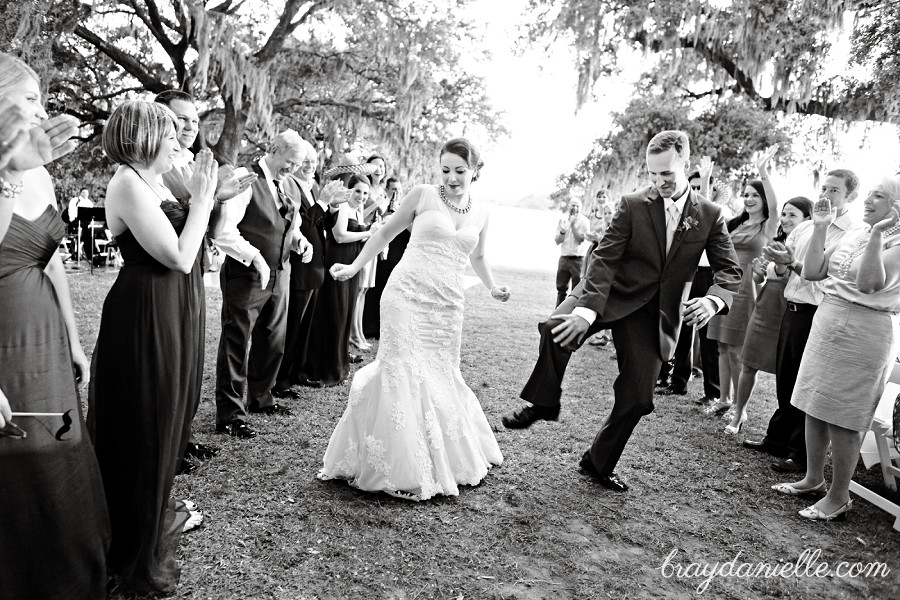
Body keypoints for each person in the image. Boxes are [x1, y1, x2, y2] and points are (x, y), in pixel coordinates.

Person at [502, 130, 741, 492]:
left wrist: (713, 300)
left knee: (637, 399)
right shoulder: (631, 204)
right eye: (652, 174)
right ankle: (544, 402)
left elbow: (730, 270)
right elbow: (603, 259)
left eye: (668, 175)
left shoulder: (709, 215)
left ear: (686, 166)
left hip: (654, 314)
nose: (660, 182)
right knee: (556, 327)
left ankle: (599, 462)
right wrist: (585, 313)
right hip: (611, 292)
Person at [319, 137, 510, 500]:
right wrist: (355, 266)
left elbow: (480, 258)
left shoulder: (482, 212)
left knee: (439, 373)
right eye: (446, 170)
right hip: (405, 295)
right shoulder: (423, 195)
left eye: (460, 171)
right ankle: (398, 466)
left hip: (447, 306)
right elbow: (386, 232)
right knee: (400, 369)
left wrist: (493, 287)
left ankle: (440, 455)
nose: (452, 178)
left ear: (475, 171)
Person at [87, 100, 218, 594]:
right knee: (144, 422)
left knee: (171, 414)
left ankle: (151, 510)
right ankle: (128, 543)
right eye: (169, 133)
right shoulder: (126, 182)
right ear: (143, 138)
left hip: (177, 307)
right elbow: (181, 256)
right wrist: (203, 201)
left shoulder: (159, 180)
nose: (178, 140)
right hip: (146, 312)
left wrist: (204, 194)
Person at [0, 52, 110, 600]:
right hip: (4, 340)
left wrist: (72, 338)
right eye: (29, 98)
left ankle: (63, 575)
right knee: (14, 453)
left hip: (43, 324)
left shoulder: (40, 170)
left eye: (42, 99)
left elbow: (52, 259)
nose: (42, 111)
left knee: (57, 440)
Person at [771, 177, 900, 521]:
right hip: (828, 319)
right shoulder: (855, 233)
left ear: (897, 207)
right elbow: (813, 270)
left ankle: (839, 496)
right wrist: (822, 227)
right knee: (814, 404)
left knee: (844, 416)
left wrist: (876, 236)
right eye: (870, 193)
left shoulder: (895, 241)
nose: (869, 199)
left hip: (865, 329)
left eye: (880, 195)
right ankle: (813, 478)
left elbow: (870, 283)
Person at [153, 89, 256, 472]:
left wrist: (219, 197)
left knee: (192, 353)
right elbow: (179, 212)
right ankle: (170, 442)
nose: (188, 127)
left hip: (195, 259)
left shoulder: (195, 163)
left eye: (194, 121)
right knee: (173, 355)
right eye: (180, 120)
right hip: (168, 262)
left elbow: (209, 222)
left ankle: (184, 437)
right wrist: (212, 195)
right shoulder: (160, 168)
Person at [743, 169, 862, 474]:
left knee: (803, 382)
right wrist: (778, 261)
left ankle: (799, 454)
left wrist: (790, 265)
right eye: (824, 188)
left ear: (851, 196)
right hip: (791, 307)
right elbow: (784, 268)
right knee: (784, 377)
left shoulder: (851, 233)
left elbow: (825, 277)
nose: (826, 195)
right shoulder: (807, 226)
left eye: (834, 190)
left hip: (817, 311)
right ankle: (777, 439)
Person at [213, 129, 312, 439]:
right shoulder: (246, 178)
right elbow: (224, 230)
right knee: (237, 342)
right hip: (247, 274)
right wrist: (254, 257)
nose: (292, 169)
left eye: (298, 165)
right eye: (289, 162)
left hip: (281, 273)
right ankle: (231, 414)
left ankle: (261, 398)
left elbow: (291, 227)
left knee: (272, 338)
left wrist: (301, 243)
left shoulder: (288, 186)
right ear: (273, 149)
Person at [724, 196, 813, 434]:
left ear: (808, 219)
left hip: (788, 312)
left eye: (792, 214)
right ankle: (739, 412)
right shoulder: (774, 243)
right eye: (784, 214)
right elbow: (759, 280)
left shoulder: (810, 247)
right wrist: (757, 273)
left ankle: (784, 426)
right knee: (748, 362)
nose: (784, 219)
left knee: (785, 373)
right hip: (764, 307)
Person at [704, 147, 780, 415]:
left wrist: (762, 171)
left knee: (736, 349)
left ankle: (740, 406)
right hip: (725, 286)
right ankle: (723, 399)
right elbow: (706, 210)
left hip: (747, 291)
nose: (748, 199)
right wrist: (705, 181)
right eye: (745, 194)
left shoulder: (767, 227)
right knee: (722, 346)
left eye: (754, 195)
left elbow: (776, 206)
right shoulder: (735, 223)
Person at [273, 140, 347, 396]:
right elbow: (298, 226)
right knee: (292, 326)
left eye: (314, 163)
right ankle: (280, 380)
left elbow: (321, 224)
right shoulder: (289, 185)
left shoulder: (313, 186)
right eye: (305, 162)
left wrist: (333, 205)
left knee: (305, 328)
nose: (309, 167)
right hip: (299, 266)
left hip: (316, 266)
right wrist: (323, 203)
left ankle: (297, 372)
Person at [301, 174, 375, 387]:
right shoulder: (342, 207)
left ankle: (339, 364)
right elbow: (340, 235)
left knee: (345, 313)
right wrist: (369, 232)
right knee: (334, 311)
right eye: (358, 191)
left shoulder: (358, 212)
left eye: (365, 193)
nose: (361, 196)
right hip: (337, 260)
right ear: (349, 190)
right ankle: (324, 367)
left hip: (352, 263)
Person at [363, 176, 408, 339]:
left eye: (399, 189)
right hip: (384, 253)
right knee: (377, 290)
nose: (397, 192)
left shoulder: (405, 205)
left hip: (399, 253)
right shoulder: (381, 204)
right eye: (393, 189)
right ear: (387, 190)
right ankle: (371, 327)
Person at [554, 197, 590, 306]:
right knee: (561, 289)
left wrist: (573, 224)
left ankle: (571, 313)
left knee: (576, 291)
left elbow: (580, 240)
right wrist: (563, 231)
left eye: (577, 206)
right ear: (568, 206)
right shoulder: (562, 219)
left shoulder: (584, 221)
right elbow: (557, 241)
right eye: (573, 205)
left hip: (578, 260)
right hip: (564, 258)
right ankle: (556, 313)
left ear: (581, 208)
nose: (575, 208)